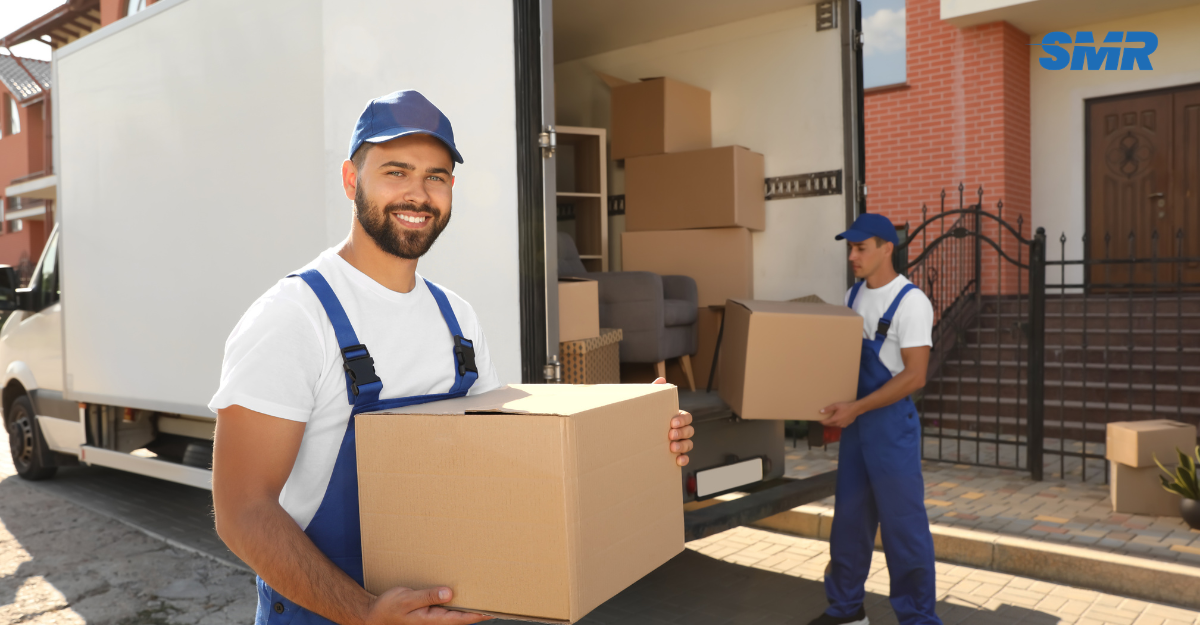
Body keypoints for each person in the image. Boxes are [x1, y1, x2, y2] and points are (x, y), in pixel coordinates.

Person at [209, 90, 696, 625]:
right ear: (352, 180)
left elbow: (504, 458)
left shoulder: (456, 318)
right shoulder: (295, 317)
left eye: (435, 177)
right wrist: (365, 613)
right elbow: (242, 511)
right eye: (396, 171)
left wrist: (635, 436)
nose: (418, 195)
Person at [808, 213, 941, 625]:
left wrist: (857, 408)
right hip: (856, 427)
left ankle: (918, 619)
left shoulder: (912, 302)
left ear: (887, 248)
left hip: (890, 429)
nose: (853, 256)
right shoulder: (852, 297)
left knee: (904, 529)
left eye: (860, 248)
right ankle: (847, 611)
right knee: (848, 522)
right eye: (850, 248)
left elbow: (915, 376)